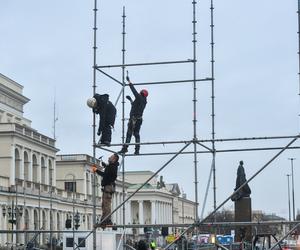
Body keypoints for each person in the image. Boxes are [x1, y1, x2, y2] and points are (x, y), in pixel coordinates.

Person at [119, 75, 148, 155]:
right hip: (139, 119)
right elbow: (135, 107)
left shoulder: (139, 97)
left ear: (141, 93)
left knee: (129, 134)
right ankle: (137, 150)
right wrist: (130, 100)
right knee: (136, 134)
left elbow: (133, 91)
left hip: (134, 119)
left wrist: (129, 81)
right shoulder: (144, 101)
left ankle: (125, 149)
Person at [92, 153, 119, 227]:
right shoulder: (112, 166)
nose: (109, 158)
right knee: (104, 204)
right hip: (108, 187)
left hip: (108, 187)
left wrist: (96, 170)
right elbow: (108, 173)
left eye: (110, 157)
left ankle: (106, 220)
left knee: (106, 205)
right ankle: (104, 220)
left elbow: (106, 175)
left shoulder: (112, 167)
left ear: (114, 159)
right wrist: (106, 166)